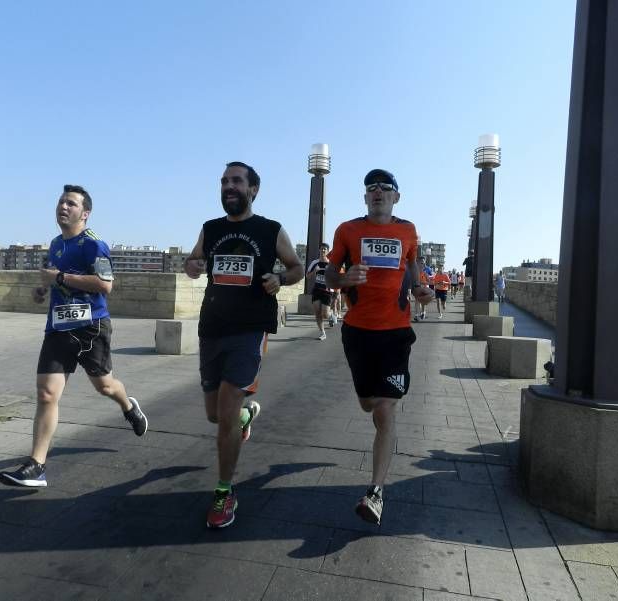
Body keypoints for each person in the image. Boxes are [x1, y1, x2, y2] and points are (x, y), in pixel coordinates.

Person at [0, 185, 148, 488]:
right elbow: (56, 280)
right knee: (46, 394)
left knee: (104, 385)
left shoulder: (94, 245)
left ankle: (128, 407)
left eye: (71, 203)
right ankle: (36, 465)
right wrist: (45, 289)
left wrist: (61, 278)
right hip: (58, 328)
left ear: (85, 213)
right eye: (61, 202)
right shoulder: (55, 245)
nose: (63, 207)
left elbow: (106, 285)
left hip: (91, 327)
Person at [185, 162, 304, 529]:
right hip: (212, 328)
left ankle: (224, 492)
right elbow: (193, 260)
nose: (228, 186)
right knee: (215, 415)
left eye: (236, 181)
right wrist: (192, 265)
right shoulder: (211, 229)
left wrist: (279, 278)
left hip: (250, 330)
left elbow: (297, 268)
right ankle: (245, 416)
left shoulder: (270, 230)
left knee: (225, 408)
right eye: (223, 181)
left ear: (253, 189)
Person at [325, 168, 433, 525]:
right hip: (357, 331)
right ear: (365, 196)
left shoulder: (407, 230)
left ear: (396, 197)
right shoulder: (348, 230)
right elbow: (329, 275)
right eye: (371, 188)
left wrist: (419, 289)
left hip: (396, 333)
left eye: (386, 188)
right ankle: (372, 401)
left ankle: (375, 492)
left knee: (385, 410)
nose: (378, 193)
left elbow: (412, 264)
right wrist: (343, 278)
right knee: (368, 403)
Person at [306, 243, 335, 340]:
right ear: (319, 250)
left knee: (325, 314)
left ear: (327, 251)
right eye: (322, 249)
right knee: (317, 313)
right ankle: (323, 333)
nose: (323, 251)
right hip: (317, 290)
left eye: (325, 249)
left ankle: (331, 315)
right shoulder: (315, 263)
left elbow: (336, 277)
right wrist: (315, 271)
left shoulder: (331, 263)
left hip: (327, 290)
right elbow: (307, 276)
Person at [412, 257, 433, 322]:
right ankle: (416, 315)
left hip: (424, 288)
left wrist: (424, 283)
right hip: (417, 289)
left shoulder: (425, 273)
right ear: (417, 263)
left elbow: (430, 281)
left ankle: (423, 312)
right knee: (417, 301)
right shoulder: (414, 272)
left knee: (423, 303)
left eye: (424, 263)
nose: (423, 265)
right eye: (421, 263)